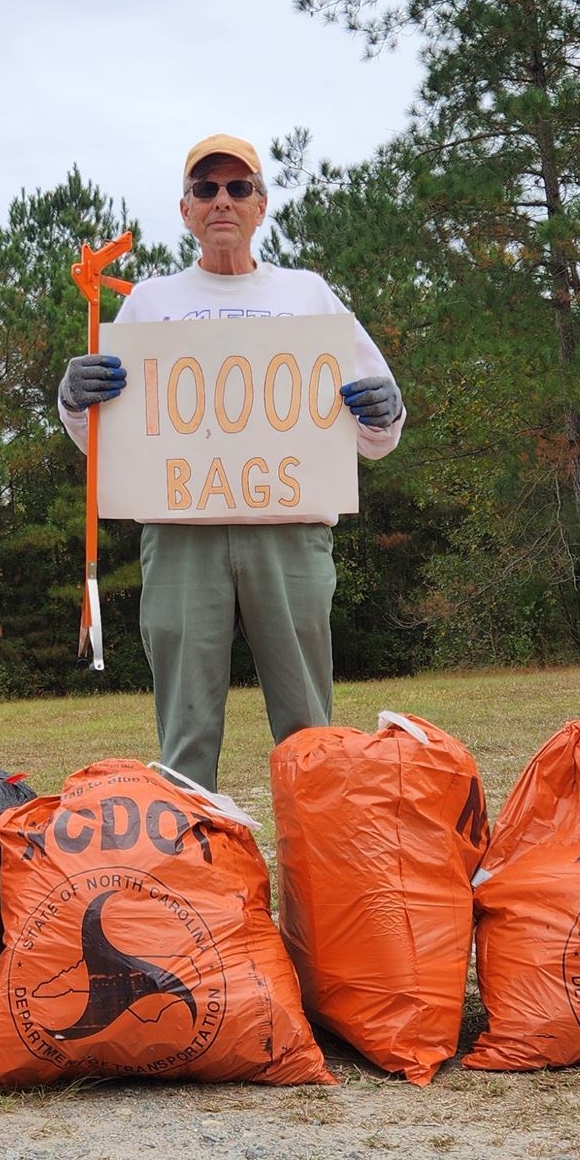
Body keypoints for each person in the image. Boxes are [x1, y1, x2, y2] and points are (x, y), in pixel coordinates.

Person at [59, 133, 405, 790]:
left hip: (291, 532)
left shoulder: (309, 295)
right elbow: (105, 440)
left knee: (309, 730)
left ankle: (317, 855)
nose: (222, 200)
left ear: (260, 205)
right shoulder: (150, 303)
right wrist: (73, 401)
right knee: (185, 734)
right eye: (206, 188)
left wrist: (387, 411)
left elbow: (374, 434)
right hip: (180, 536)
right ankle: (193, 857)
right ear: (186, 209)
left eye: (238, 187)